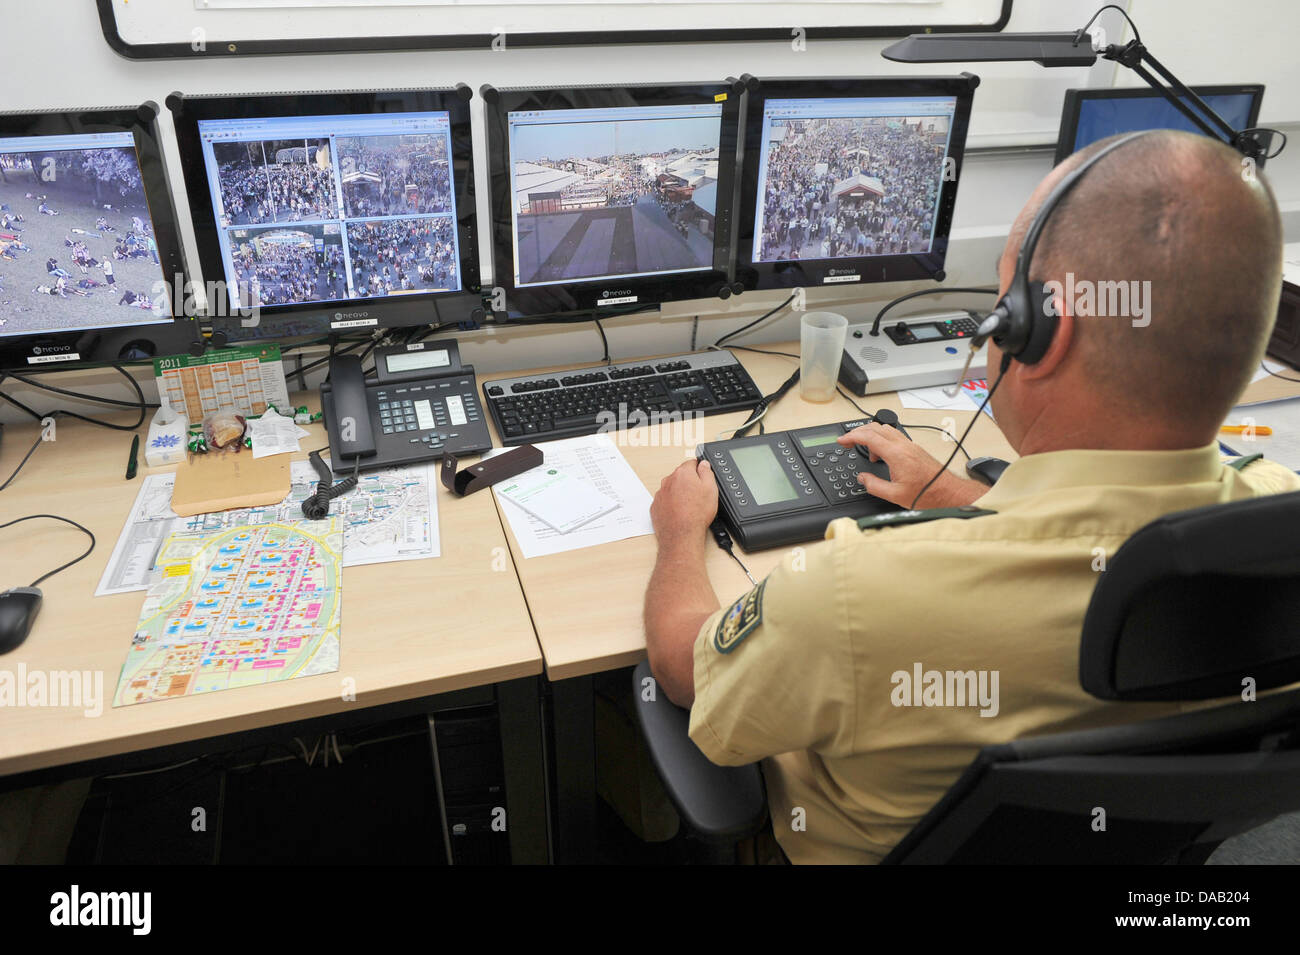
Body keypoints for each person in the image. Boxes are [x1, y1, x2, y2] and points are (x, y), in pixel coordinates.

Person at [641, 129, 1300, 864]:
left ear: (1038, 334)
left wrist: (679, 533)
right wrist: (953, 494)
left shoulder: (853, 594)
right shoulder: (1277, 522)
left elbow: (681, 668)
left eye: (1001, 295)